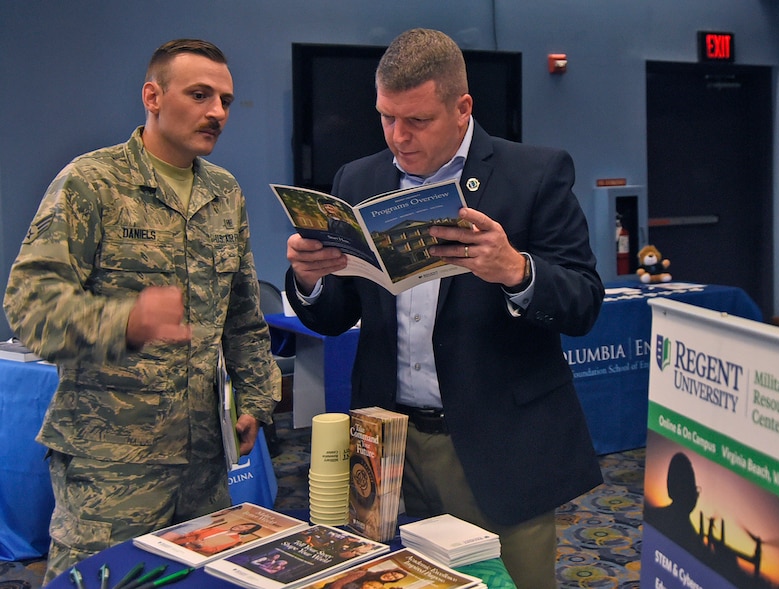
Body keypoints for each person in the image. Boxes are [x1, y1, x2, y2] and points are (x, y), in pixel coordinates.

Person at [284, 28, 603, 589]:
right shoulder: (358, 179)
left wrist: (517, 271)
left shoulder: (534, 175)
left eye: (418, 121)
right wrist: (308, 280)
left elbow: (583, 303)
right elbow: (334, 315)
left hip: (495, 446)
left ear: (463, 109)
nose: (397, 136)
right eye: (386, 117)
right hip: (388, 442)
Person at [3, 39, 280, 582]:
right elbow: (28, 307)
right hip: (112, 467)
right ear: (153, 96)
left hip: (204, 466)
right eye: (200, 95)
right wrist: (123, 321)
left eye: (225, 99)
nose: (217, 112)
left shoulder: (225, 193)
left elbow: (243, 317)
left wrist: (255, 399)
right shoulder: (92, 183)